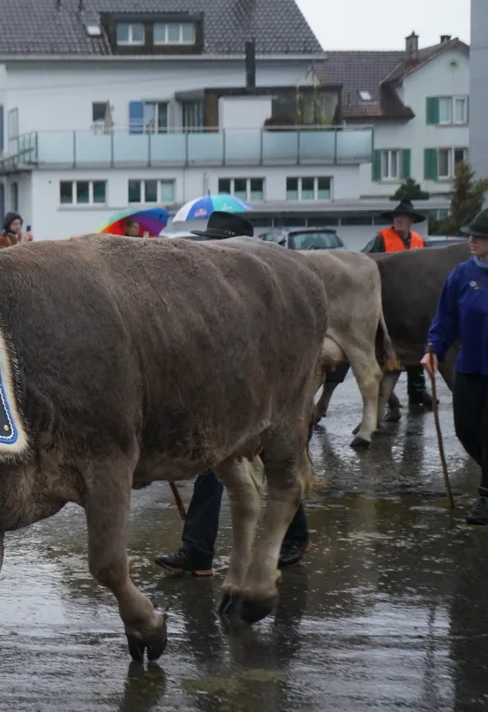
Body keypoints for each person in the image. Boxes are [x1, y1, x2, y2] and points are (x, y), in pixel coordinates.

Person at [155, 210, 312, 575]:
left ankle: (291, 536)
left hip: (256, 394)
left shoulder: (260, 289)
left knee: (275, 460)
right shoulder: (209, 288)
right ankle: (200, 551)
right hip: (220, 394)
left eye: (216, 245)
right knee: (215, 467)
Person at [422, 208, 488, 525]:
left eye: (479, 236)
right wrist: (434, 349)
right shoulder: (462, 274)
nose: (471, 240)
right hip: (470, 366)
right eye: (471, 235)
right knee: (465, 431)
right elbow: (445, 317)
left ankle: (485, 498)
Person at [346, 200, 433, 408]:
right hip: (389, 299)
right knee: (387, 347)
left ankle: (417, 391)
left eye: (403, 217)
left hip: (413, 300)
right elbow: (365, 260)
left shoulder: (419, 241)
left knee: (415, 345)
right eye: (396, 217)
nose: (399, 220)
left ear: (411, 221)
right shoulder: (381, 238)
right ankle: (387, 396)